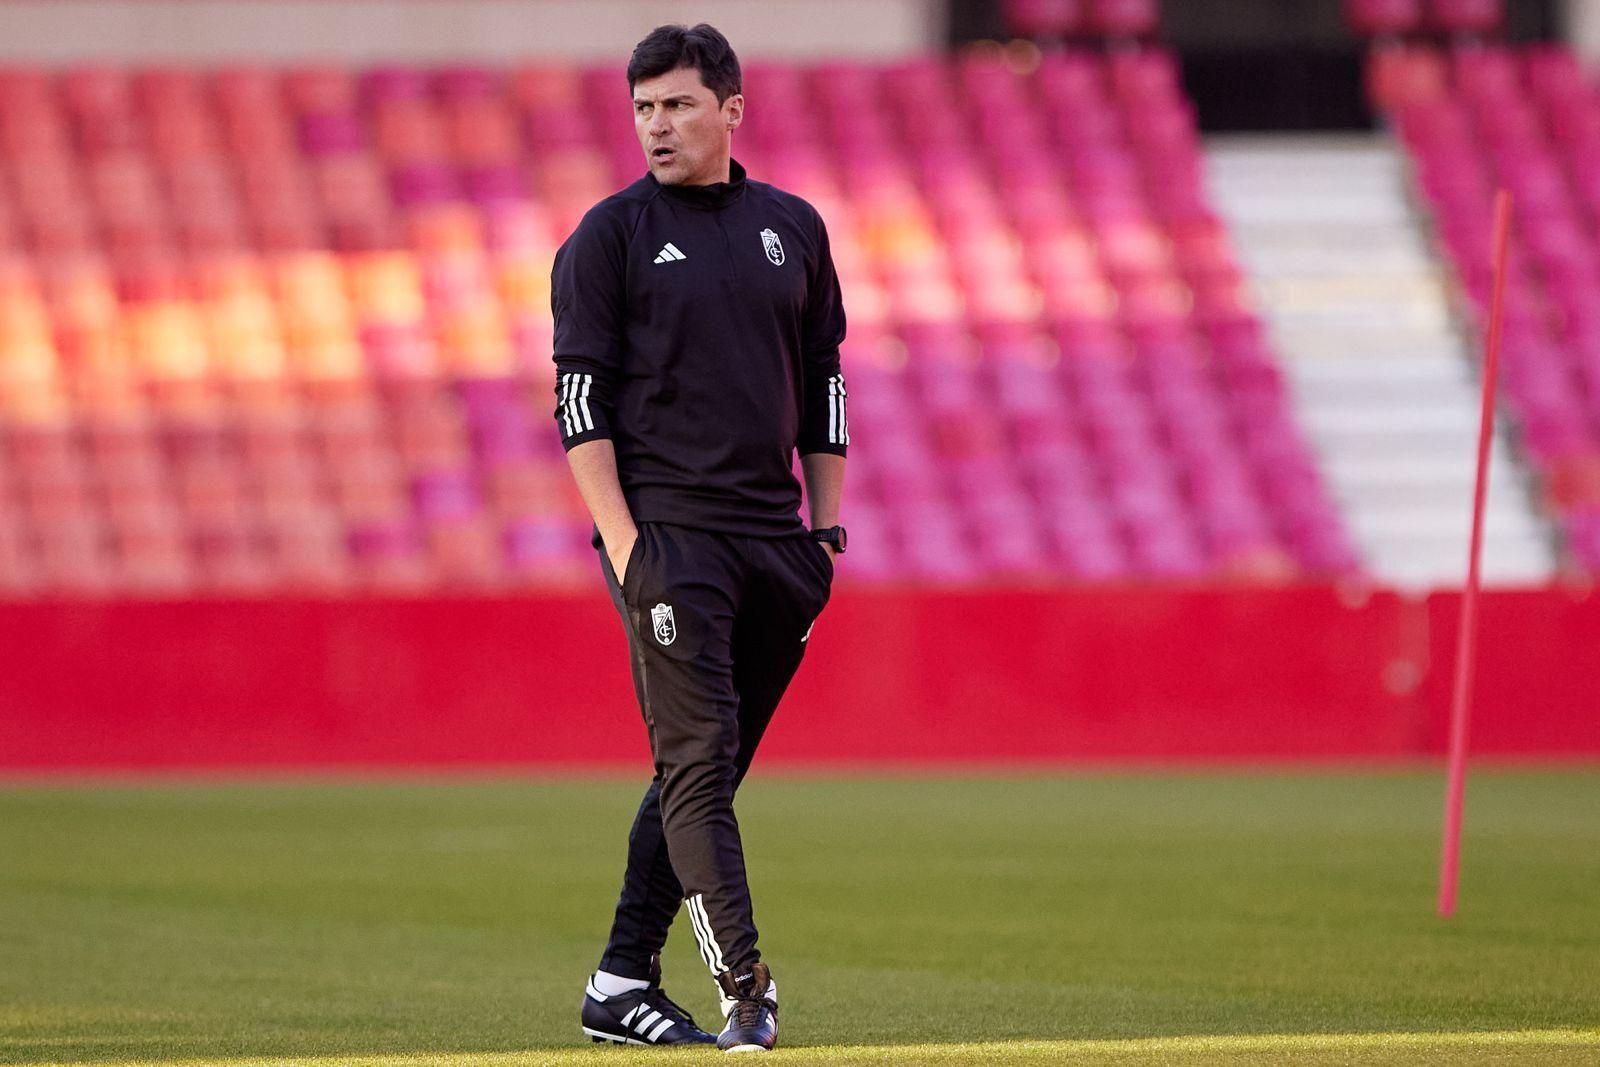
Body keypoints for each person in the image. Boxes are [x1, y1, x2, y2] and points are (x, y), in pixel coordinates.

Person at [551, 22, 849, 1054]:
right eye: (642, 108)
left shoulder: (793, 228)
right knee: (697, 761)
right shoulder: (607, 237)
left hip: (776, 544)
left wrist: (825, 526)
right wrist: (628, 548)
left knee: (702, 772)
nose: (656, 125)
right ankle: (749, 991)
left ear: (730, 108)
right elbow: (578, 404)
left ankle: (619, 978)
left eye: (676, 104)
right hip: (669, 540)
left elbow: (826, 380)